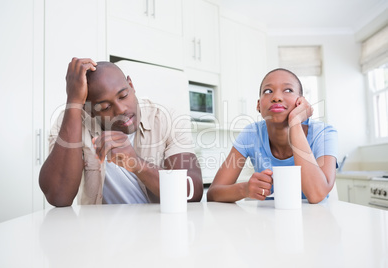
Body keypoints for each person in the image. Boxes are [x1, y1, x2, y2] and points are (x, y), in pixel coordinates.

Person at [39, 57, 203, 206]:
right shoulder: (72, 120)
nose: (121, 109)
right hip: (98, 232)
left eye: (123, 96)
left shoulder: (168, 119)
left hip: (157, 228)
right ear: (89, 111)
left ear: (131, 85)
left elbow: (193, 192)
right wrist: (73, 101)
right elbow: (58, 196)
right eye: (106, 107)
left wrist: (137, 163)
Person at [207, 68, 338, 204]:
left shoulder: (324, 133)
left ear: (301, 102)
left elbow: (316, 195)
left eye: (288, 90)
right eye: (268, 91)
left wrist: (295, 123)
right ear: (258, 105)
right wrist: (244, 189)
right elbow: (213, 193)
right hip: (268, 221)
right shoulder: (250, 134)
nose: (276, 97)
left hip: (316, 221)